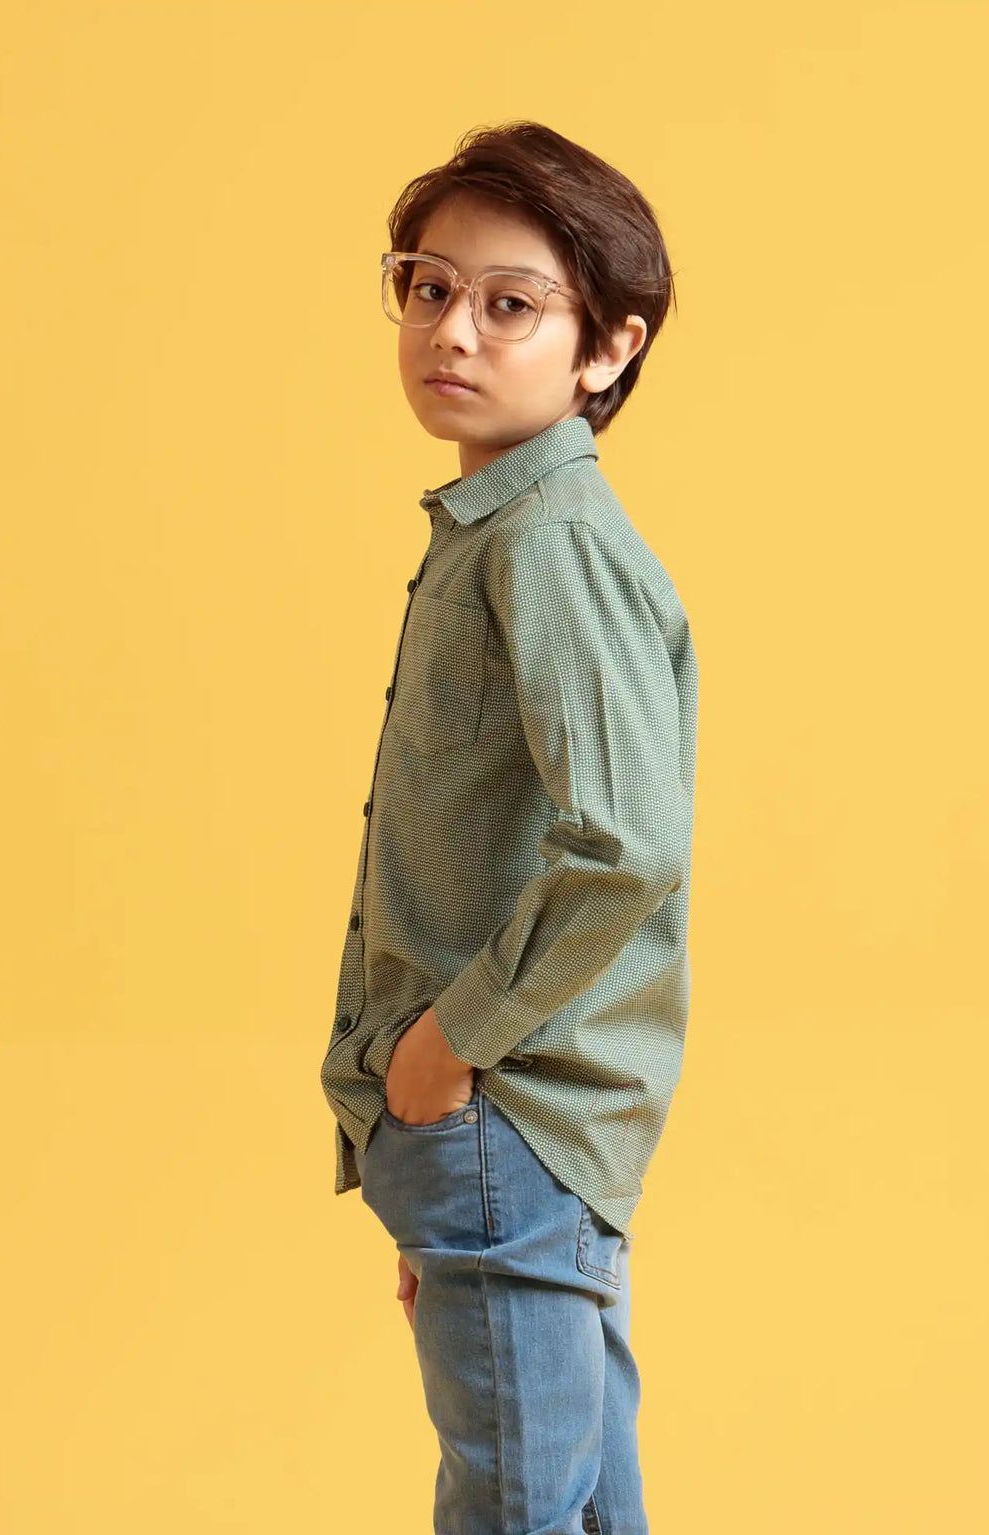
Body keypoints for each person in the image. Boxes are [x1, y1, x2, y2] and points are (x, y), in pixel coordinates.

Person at [319, 120, 698, 1535]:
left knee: (517, 1511)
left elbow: (628, 847)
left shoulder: (548, 545)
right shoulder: (496, 531)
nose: (451, 330)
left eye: (510, 303)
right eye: (427, 287)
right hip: (500, 1135)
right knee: (581, 1504)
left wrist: (443, 1050)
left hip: (502, 1108)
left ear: (607, 350)